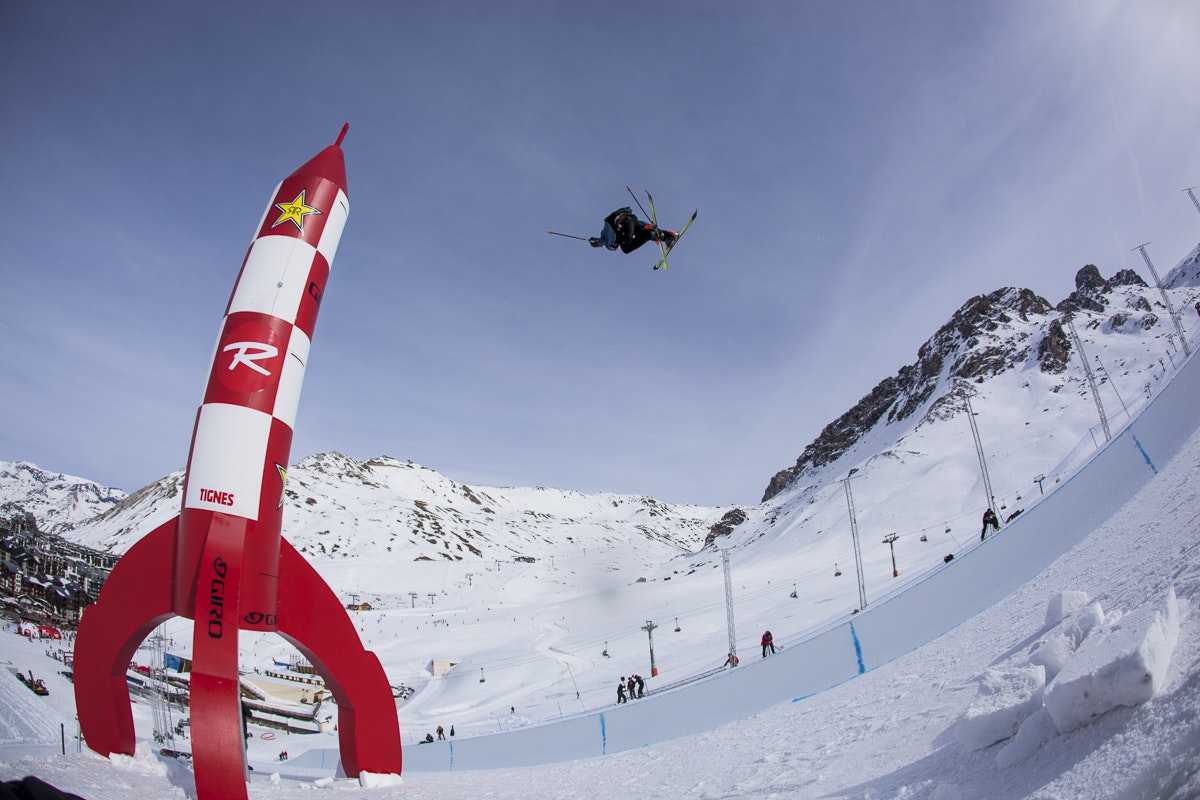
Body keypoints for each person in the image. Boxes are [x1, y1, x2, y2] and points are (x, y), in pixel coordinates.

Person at [589, 207, 677, 254]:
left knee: (626, 249)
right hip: (630, 218)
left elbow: (601, 241)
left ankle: (651, 234)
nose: (617, 245)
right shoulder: (618, 232)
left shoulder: (607, 238)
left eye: (615, 246)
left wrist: (596, 242)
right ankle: (668, 237)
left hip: (622, 221)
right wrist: (652, 228)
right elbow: (638, 224)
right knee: (641, 233)